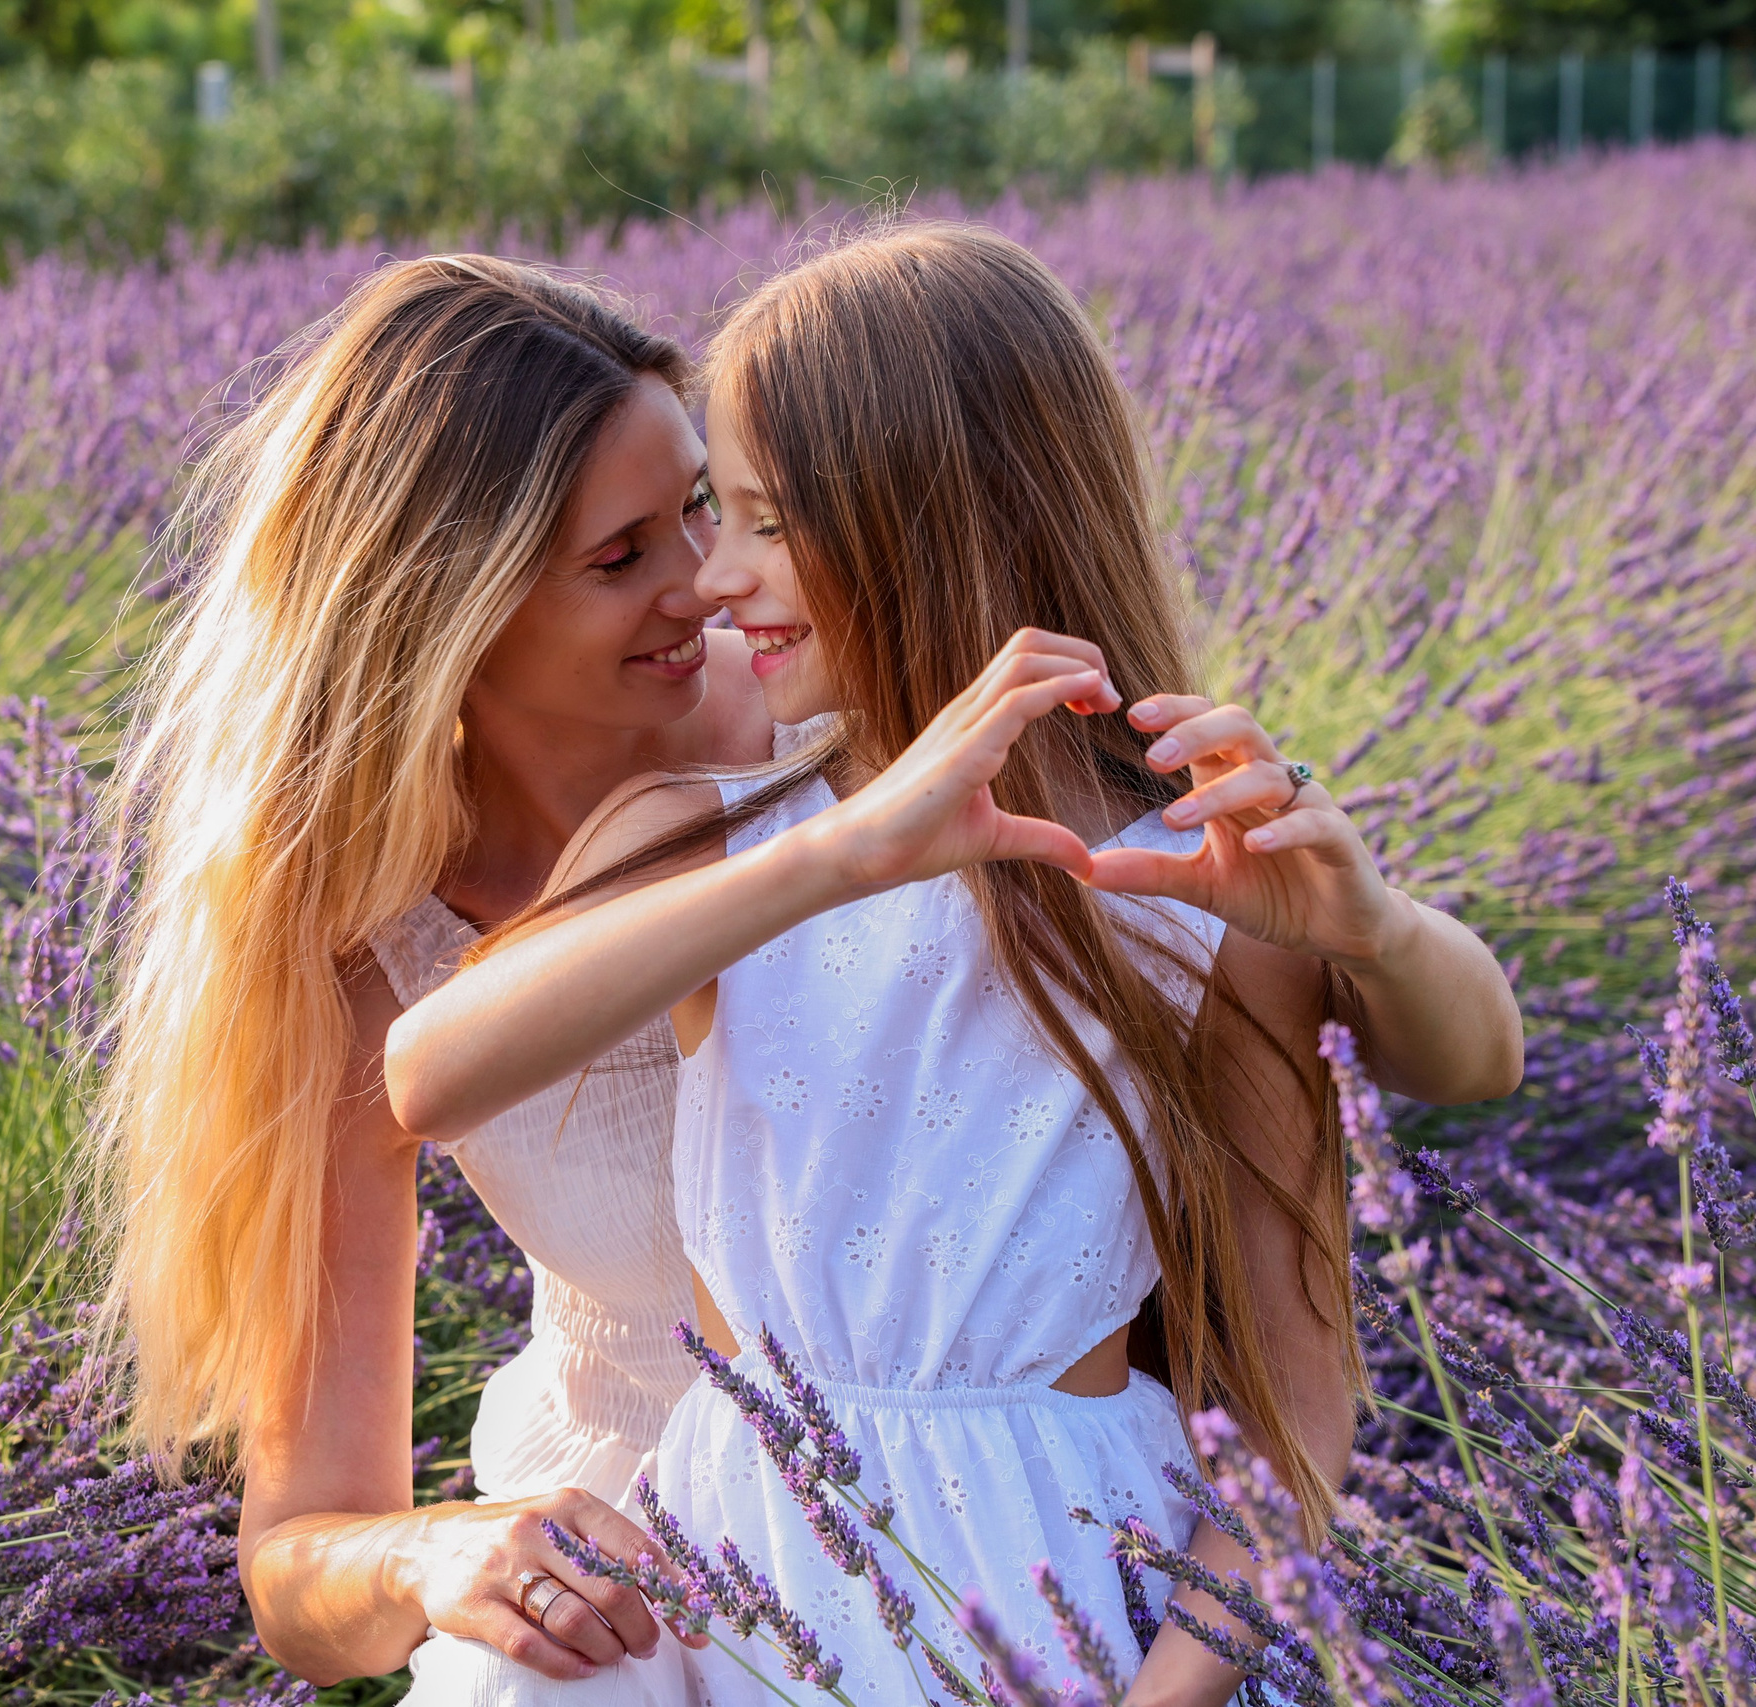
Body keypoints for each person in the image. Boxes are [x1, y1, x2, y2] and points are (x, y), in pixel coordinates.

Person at [386, 226, 1526, 1703]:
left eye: (765, 521)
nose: (714, 578)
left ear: (933, 523)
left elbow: (1302, 1409)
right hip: (742, 1585)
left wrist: (1373, 929)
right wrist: (843, 850)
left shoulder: (1199, 888)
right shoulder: (707, 839)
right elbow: (432, 1070)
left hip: (1070, 1597)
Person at [86, 255, 767, 1695]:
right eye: (619, 554)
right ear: (443, 615)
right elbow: (299, 1562)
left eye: (700, 505)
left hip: (940, 1503)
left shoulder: (828, 735)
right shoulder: (367, 943)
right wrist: (432, 1554)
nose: (707, 582)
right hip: (620, 1549)